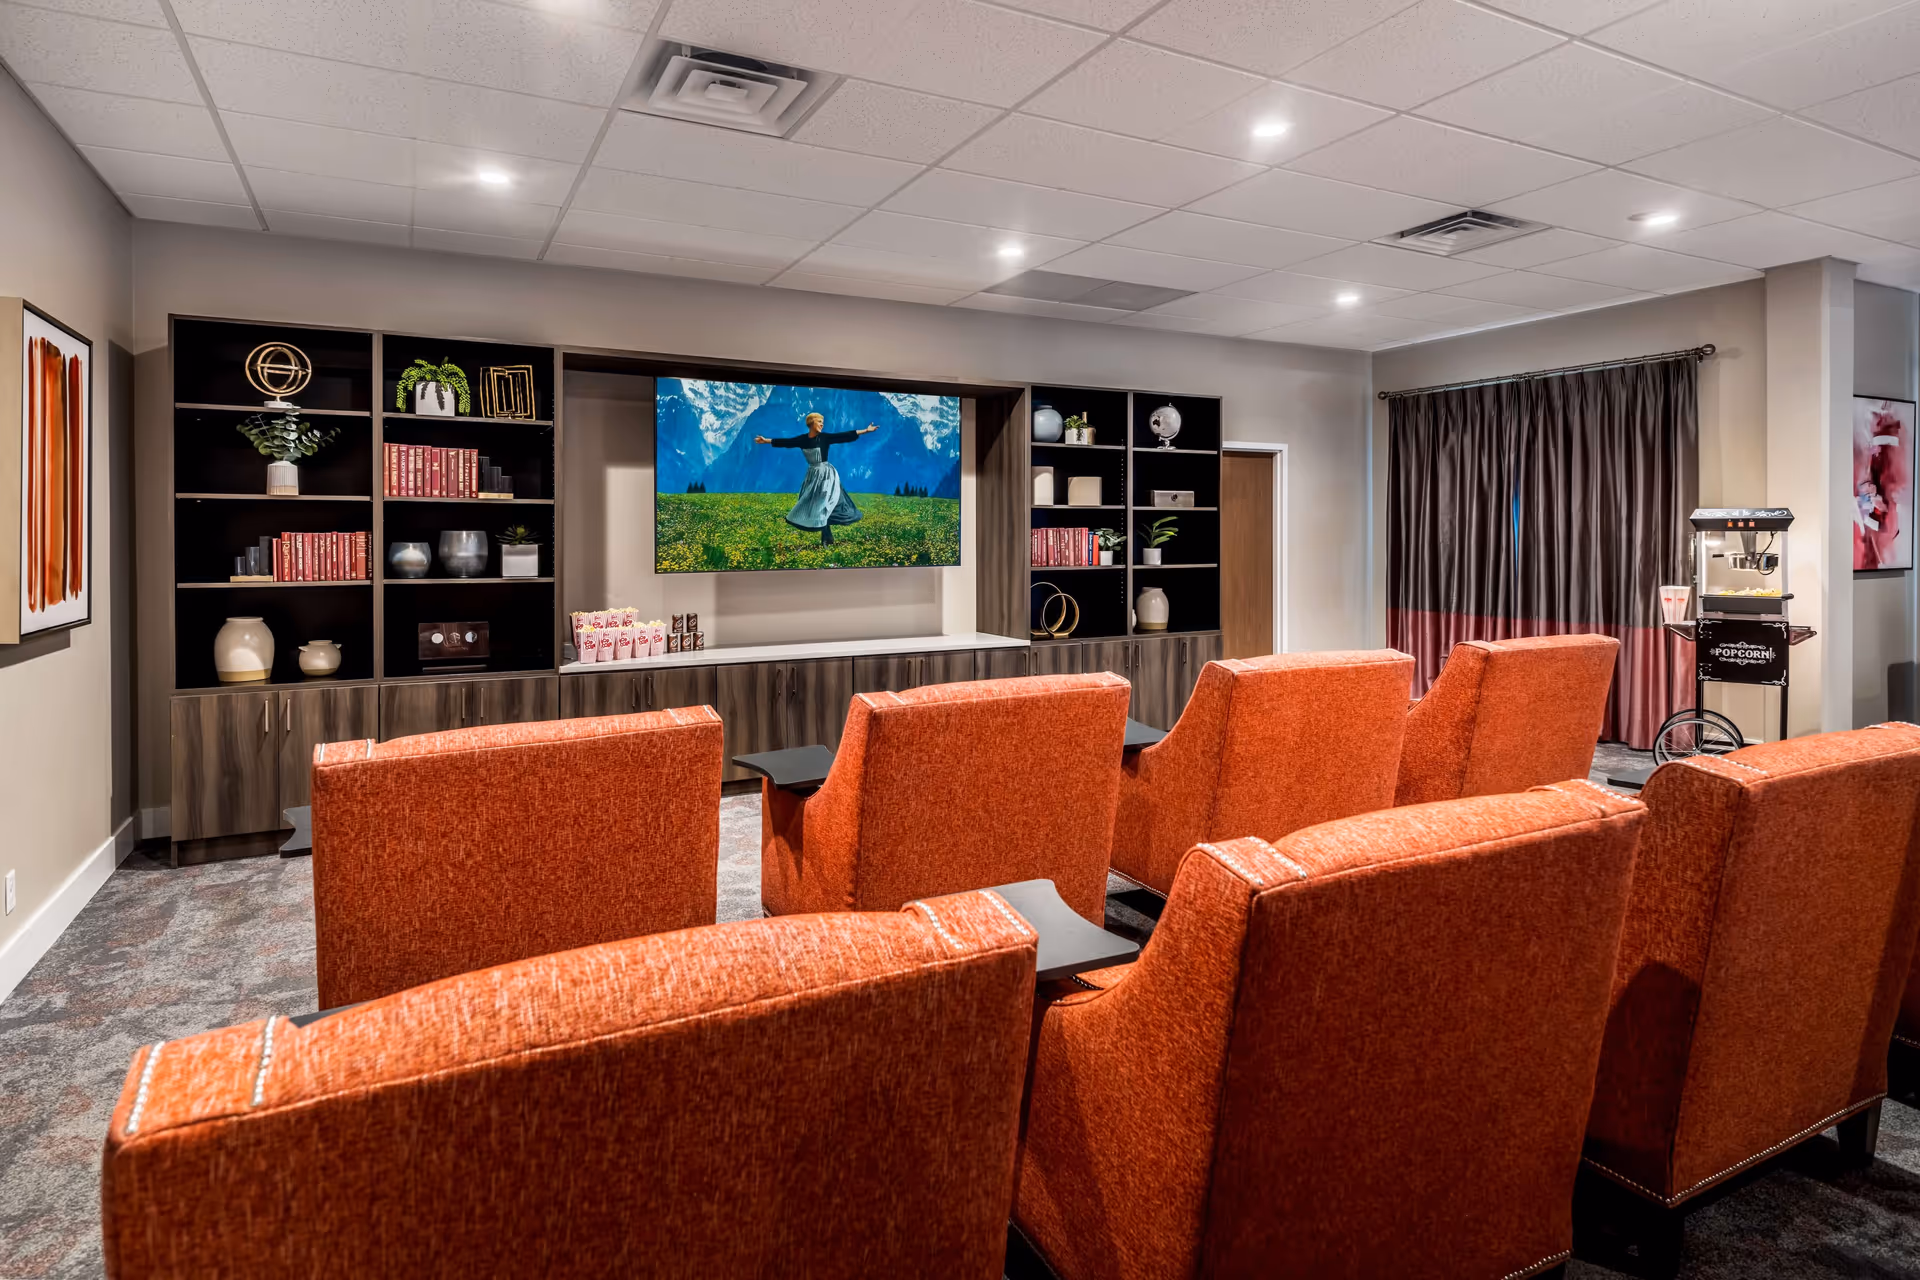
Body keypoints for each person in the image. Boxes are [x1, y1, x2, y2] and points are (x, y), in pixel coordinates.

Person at [752, 412, 879, 546]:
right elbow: (787, 442)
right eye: (819, 422)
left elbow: (843, 436)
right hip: (812, 476)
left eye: (822, 422)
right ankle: (827, 537)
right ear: (811, 423)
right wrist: (766, 440)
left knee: (825, 503)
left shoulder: (824, 438)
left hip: (826, 475)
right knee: (817, 505)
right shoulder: (803, 440)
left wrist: (865, 430)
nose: (822, 425)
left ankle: (826, 538)